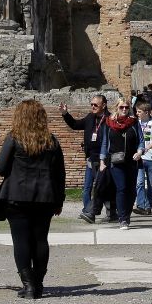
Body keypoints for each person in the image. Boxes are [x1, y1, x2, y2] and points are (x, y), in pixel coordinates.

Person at [0, 99, 66, 299]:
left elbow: (0, 168)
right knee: (40, 240)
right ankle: (39, 283)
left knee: (21, 241)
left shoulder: (14, 138)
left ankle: (28, 285)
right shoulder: (51, 140)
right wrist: (60, 200)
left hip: (17, 196)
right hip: (45, 197)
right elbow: (60, 173)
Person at [60, 95, 110, 223]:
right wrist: (65, 114)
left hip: (104, 159)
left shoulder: (110, 119)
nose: (92, 107)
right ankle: (87, 211)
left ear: (103, 105)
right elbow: (75, 125)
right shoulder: (90, 118)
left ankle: (110, 211)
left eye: (95, 105)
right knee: (87, 187)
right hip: (90, 158)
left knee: (101, 187)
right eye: (91, 104)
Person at [99, 99, 145, 230]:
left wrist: (140, 151)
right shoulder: (109, 123)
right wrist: (102, 160)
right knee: (121, 188)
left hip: (132, 161)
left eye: (126, 107)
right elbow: (104, 143)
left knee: (131, 190)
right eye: (121, 107)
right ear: (116, 108)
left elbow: (141, 140)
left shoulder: (134, 122)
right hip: (115, 161)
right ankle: (122, 218)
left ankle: (127, 214)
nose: (124, 109)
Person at [134, 100, 152, 216]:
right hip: (139, 157)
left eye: (139, 112)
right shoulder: (136, 123)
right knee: (139, 182)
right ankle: (140, 205)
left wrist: (146, 148)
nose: (137, 114)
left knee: (150, 184)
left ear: (146, 112)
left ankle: (148, 206)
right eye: (136, 111)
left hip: (151, 158)